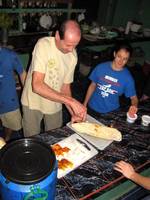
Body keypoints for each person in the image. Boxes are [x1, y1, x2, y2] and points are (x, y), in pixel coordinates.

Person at [21, 20, 87, 137]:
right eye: (68, 45)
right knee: (32, 139)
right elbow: (37, 86)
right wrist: (71, 101)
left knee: (55, 138)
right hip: (32, 101)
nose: (71, 49)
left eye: (75, 45)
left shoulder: (72, 56)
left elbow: (65, 87)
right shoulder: (43, 45)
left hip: (55, 102)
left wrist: (73, 112)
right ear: (57, 35)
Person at [83, 43, 138, 116]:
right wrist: (84, 104)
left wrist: (134, 106)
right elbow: (92, 85)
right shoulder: (101, 67)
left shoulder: (128, 78)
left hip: (111, 112)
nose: (121, 61)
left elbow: (134, 98)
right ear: (114, 54)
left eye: (125, 59)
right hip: (92, 107)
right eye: (119, 56)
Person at [0, 47, 26, 141]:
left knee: (11, 124)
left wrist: (25, 92)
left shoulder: (10, 55)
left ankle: (7, 139)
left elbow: (22, 73)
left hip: (8, 99)